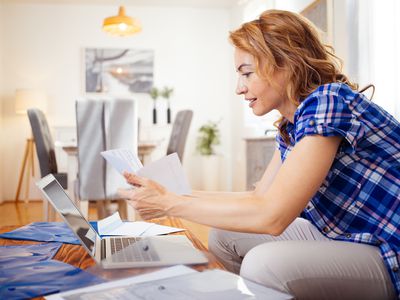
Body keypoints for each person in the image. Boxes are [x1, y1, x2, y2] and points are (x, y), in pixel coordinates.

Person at [118, 9, 400, 299]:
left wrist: (170, 204)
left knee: (263, 265)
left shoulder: (329, 101)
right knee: (224, 235)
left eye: (247, 73)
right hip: (349, 235)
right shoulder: (293, 126)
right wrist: (169, 194)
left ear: (285, 64)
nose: (240, 88)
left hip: (389, 249)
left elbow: (272, 216)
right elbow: (258, 198)